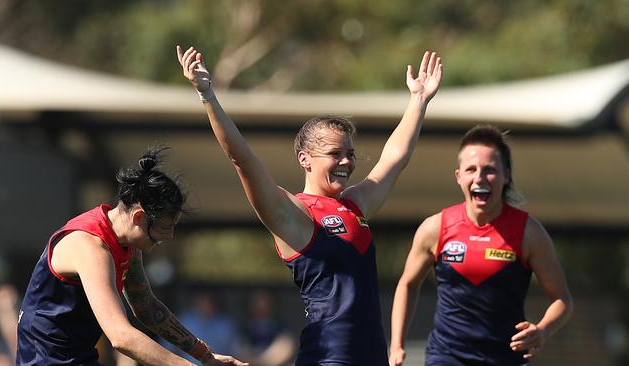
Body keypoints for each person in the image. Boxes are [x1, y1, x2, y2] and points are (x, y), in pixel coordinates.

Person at [177, 45, 442, 365]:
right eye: (334, 154)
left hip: (373, 355)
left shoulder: (355, 204)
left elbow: (394, 159)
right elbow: (242, 158)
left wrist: (418, 100)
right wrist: (208, 95)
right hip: (329, 356)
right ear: (304, 159)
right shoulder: (293, 213)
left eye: (350, 154)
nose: (346, 161)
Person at [15, 147, 247, 366]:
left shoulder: (125, 242)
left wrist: (206, 356)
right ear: (138, 218)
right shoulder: (91, 246)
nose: (170, 235)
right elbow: (121, 336)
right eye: (165, 227)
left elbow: (145, 306)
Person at [389, 125, 574, 366]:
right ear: (458, 177)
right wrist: (396, 345)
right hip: (446, 357)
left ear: (506, 175)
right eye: (471, 170)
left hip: (506, 359)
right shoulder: (435, 228)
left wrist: (542, 330)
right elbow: (407, 283)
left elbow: (563, 300)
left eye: (489, 170)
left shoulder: (529, 232)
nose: (479, 178)